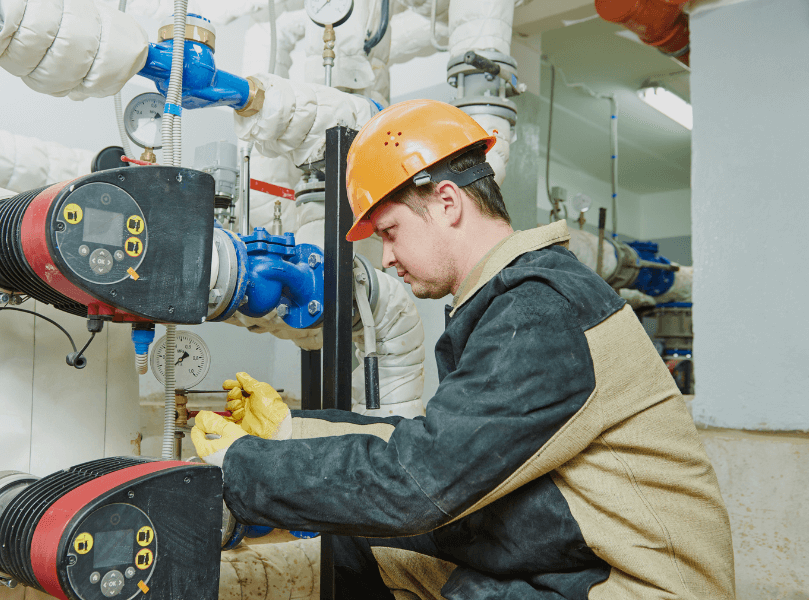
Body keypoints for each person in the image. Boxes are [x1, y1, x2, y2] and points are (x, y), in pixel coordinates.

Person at [192, 99, 735, 600]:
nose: (386, 259)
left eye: (391, 231)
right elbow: (432, 445)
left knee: (425, 554)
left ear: (447, 202)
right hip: (581, 560)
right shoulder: (516, 300)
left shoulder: (541, 309)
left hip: (639, 587)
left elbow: (416, 481)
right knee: (367, 551)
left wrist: (239, 470)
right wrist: (291, 430)